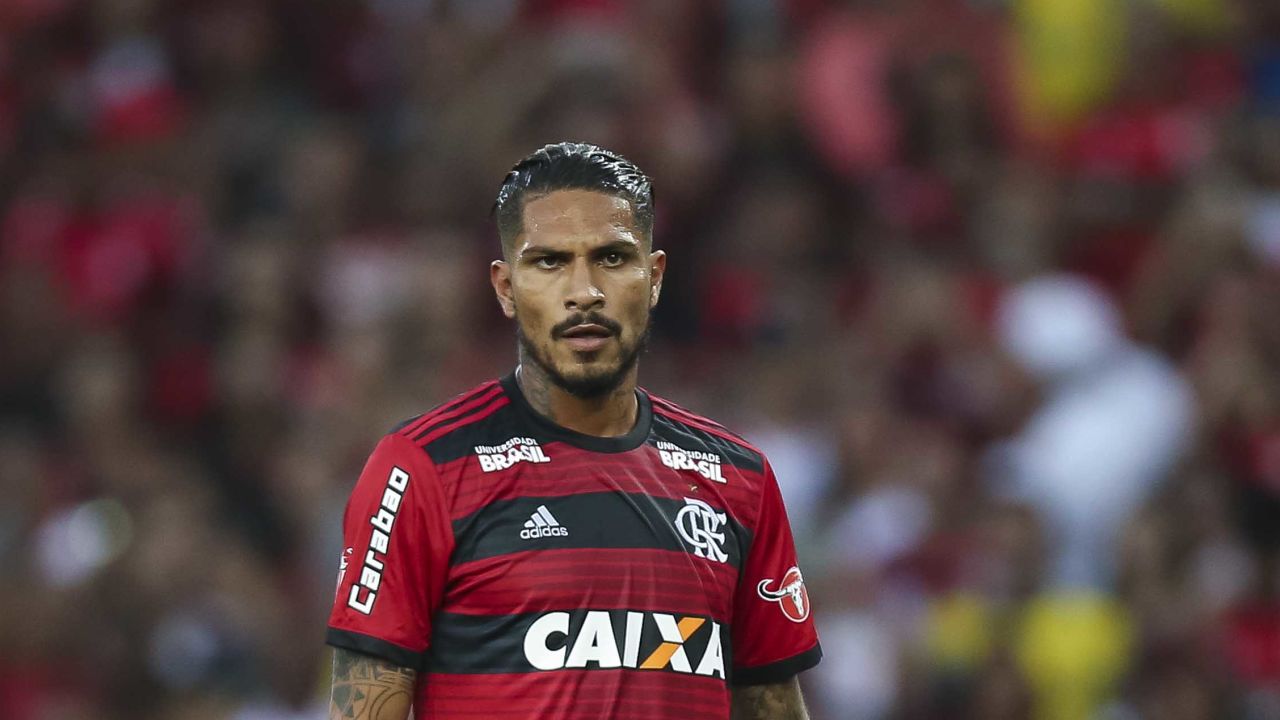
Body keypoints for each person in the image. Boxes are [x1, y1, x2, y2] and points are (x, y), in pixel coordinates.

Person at [325, 142, 821, 719]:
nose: (584, 292)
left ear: (654, 277)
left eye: (612, 258)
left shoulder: (741, 480)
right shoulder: (422, 468)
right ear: (506, 288)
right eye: (549, 262)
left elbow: (772, 703)